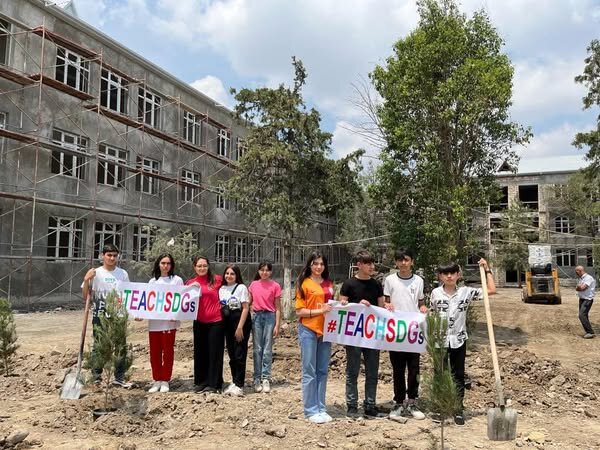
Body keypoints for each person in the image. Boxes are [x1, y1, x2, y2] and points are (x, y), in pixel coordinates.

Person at [430, 259, 496, 425]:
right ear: (440, 276)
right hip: (440, 341)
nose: (449, 276)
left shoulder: (466, 292)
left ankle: (458, 409)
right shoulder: (435, 293)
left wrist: (487, 270)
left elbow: (491, 290)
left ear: (458, 275)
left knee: (458, 375)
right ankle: (441, 408)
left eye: (453, 273)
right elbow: (430, 314)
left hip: (458, 340)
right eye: (446, 273)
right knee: (440, 375)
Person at [383, 248, 427, 421]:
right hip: (396, 331)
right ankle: (399, 402)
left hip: (413, 332)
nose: (403, 263)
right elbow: (386, 301)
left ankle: (413, 401)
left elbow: (420, 302)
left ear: (412, 262)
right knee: (398, 369)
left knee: (414, 368)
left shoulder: (419, 280)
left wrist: (423, 308)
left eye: (406, 260)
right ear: (396, 262)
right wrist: (387, 306)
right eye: (400, 260)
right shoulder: (390, 280)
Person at [339, 250, 384, 417]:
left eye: (373, 263)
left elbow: (380, 309)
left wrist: (387, 308)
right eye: (368, 263)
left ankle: (370, 404)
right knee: (352, 371)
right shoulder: (349, 284)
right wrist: (355, 304)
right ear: (359, 265)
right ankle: (351, 405)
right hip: (354, 335)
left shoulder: (377, 285)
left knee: (372, 371)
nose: (372, 266)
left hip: (372, 335)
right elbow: (341, 305)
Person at [81, 243, 131, 387]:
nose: (112, 258)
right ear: (103, 256)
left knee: (120, 346)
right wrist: (86, 279)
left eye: (115, 255)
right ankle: (96, 377)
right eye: (109, 255)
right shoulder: (95, 273)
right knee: (98, 345)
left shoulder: (123, 273)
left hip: (119, 314)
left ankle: (119, 378)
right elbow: (86, 296)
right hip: (100, 314)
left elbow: (128, 294)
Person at [295, 251, 335, 424]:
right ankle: (310, 410)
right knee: (309, 371)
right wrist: (321, 311)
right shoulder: (303, 284)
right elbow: (299, 311)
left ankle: (321, 407)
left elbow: (331, 305)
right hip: (308, 330)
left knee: (322, 371)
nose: (318, 267)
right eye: (315, 263)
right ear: (309, 265)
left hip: (326, 331)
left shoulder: (329, 284)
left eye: (321, 264)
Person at [146, 254, 184, 393]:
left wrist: (177, 314)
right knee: (155, 352)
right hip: (154, 323)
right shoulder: (152, 282)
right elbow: (146, 302)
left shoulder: (177, 280)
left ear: (172, 265)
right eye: (163, 263)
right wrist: (139, 313)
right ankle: (156, 379)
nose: (165, 266)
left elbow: (182, 299)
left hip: (169, 324)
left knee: (167, 352)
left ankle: (165, 379)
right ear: (158, 264)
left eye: (168, 263)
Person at [186, 256, 223, 393]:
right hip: (199, 322)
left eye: (204, 266)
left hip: (216, 322)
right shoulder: (190, 282)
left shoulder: (217, 280)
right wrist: (189, 288)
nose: (202, 268)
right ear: (194, 267)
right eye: (199, 266)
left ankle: (215, 384)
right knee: (200, 352)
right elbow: (183, 301)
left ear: (208, 266)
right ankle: (201, 381)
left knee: (215, 353)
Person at [248, 261, 282, 393]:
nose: (264, 272)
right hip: (256, 317)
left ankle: (266, 377)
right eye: (262, 270)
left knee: (267, 348)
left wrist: (277, 324)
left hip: (269, 317)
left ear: (271, 272)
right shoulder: (253, 285)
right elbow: (248, 302)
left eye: (267, 270)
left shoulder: (275, 286)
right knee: (257, 348)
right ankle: (256, 378)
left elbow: (278, 308)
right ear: (258, 271)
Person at [219, 264, 252, 396]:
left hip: (240, 322)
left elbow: (245, 308)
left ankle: (239, 384)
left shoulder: (241, 288)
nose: (229, 276)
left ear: (237, 275)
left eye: (232, 274)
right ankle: (234, 380)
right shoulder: (221, 289)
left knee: (240, 352)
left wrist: (239, 327)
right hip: (227, 323)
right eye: (227, 273)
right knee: (232, 353)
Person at [575, 265, 596, 339]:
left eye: (576, 271)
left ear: (580, 271)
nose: (575, 273)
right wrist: (578, 287)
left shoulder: (588, 278)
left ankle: (590, 332)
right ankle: (589, 331)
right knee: (584, 315)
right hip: (582, 299)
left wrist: (578, 287)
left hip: (587, 299)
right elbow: (578, 288)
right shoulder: (582, 278)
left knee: (581, 315)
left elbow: (582, 288)